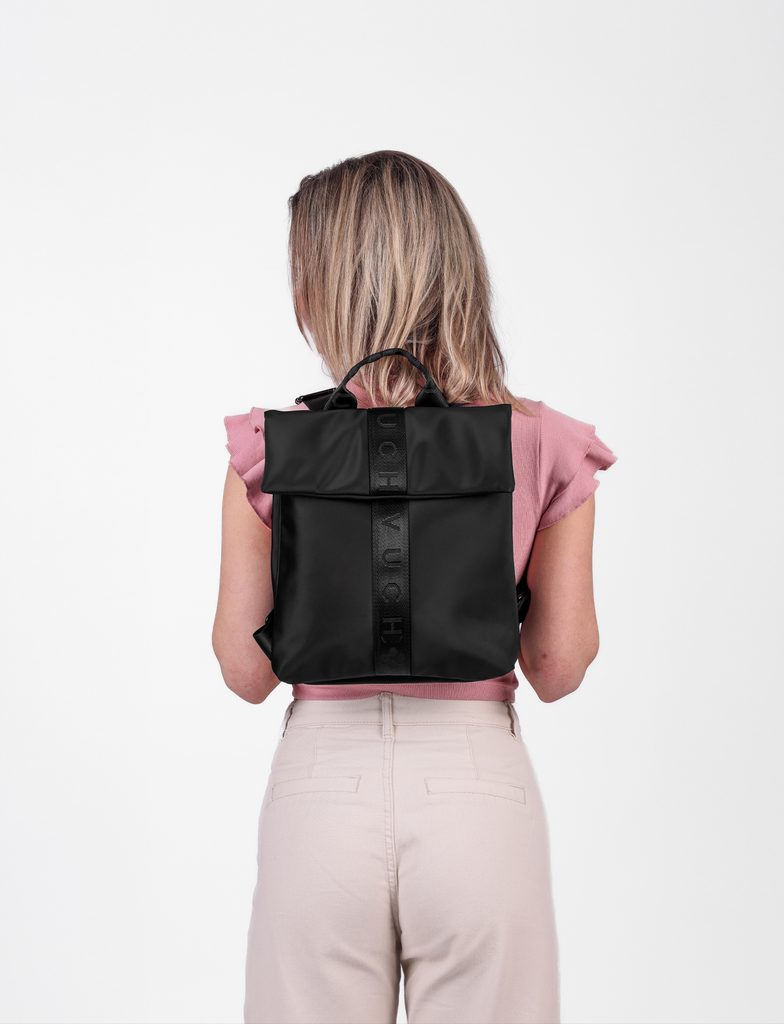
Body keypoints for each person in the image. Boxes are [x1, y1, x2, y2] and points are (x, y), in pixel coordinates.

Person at [212, 150, 617, 1024]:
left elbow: (245, 672)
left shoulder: (274, 450)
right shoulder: (542, 441)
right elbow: (557, 667)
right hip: (477, 789)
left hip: (320, 790)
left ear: (325, 290)